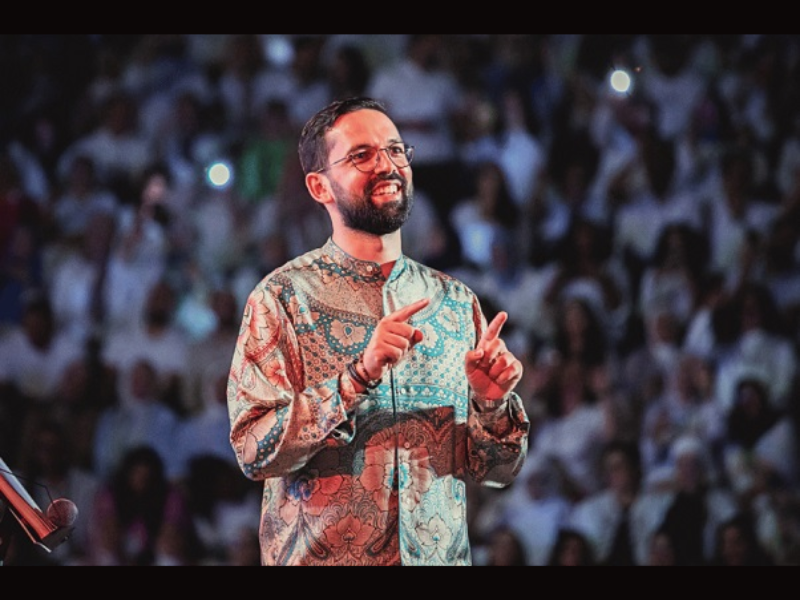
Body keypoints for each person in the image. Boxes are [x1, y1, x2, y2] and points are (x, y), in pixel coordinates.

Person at [226, 96, 530, 566]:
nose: (387, 165)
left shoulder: (454, 303)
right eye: (362, 155)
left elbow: (497, 470)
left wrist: (492, 405)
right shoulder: (283, 299)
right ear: (319, 186)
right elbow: (254, 450)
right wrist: (356, 379)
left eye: (395, 150)